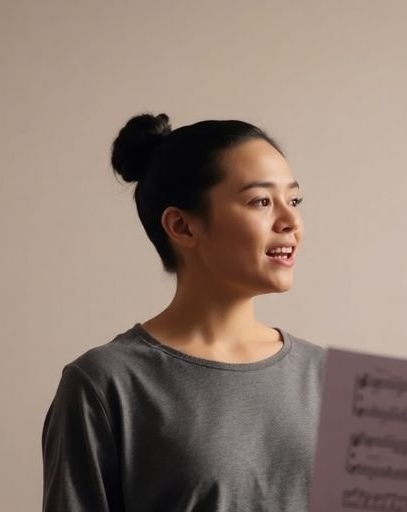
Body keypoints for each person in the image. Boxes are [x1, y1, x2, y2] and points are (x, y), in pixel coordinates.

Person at [41, 113, 324, 511]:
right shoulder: (107, 384)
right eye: (261, 201)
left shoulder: (325, 378)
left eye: (293, 200)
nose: (291, 221)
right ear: (182, 226)